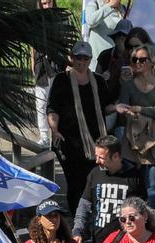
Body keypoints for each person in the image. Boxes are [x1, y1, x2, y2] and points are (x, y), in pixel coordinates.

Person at [47, 41, 114, 214]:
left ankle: (92, 218)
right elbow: (52, 108)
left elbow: (107, 106)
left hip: (96, 143)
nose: (82, 62)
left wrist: (117, 107)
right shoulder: (62, 80)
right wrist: (54, 130)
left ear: (90, 59)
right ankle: (78, 220)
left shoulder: (98, 81)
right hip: (69, 142)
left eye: (85, 58)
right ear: (71, 58)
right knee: (75, 183)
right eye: (78, 58)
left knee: (95, 181)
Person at [115, 43, 155, 217]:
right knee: (133, 187)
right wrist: (125, 110)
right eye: (135, 59)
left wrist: (139, 109)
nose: (138, 63)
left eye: (142, 59)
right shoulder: (129, 85)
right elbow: (123, 106)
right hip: (133, 139)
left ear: (152, 61)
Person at [72, 135, 148, 243]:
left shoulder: (134, 176)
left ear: (116, 156)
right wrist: (77, 229)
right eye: (96, 156)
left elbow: (143, 210)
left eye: (101, 157)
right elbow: (84, 205)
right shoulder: (94, 174)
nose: (97, 161)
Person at [32, 0, 63, 147]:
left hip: (55, 65)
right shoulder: (35, 20)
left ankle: (56, 135)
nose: (47, 6)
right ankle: (44, 137)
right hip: (41, 66)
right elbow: (32, 45)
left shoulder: (60, 19)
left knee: (55, 103)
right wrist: (33, 64)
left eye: (49, 2)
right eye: (44, 3)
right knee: (40, 103)